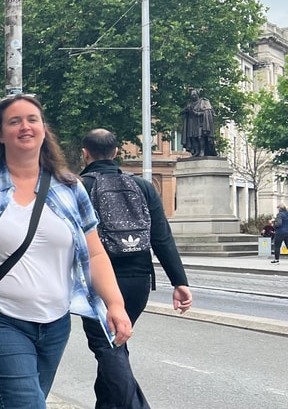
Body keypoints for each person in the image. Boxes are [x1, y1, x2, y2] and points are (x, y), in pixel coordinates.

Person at [0, 94, 132, 409]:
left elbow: (95, 253)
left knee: (22, 402)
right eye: (14, 121)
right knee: (28, 404)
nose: (25, 127)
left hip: (55, 324)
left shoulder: (70, 187)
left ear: (44, 130)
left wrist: (115, 304)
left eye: (32, 120)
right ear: (1, 134)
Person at [79, 128, 191, 408]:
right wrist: (179, 281)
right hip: (139, 280)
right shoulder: (142, 186)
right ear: (116, 152)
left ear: (85, 154)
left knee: (109, 347)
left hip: (99, 281)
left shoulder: (80, 187)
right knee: (116, 344)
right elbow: (162, 236)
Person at [180, 88, 217, 157]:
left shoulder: (204, 102)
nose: (193, 96)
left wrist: (198, 113)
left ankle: (202, 151)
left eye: (194, 94)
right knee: (193, 137)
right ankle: (196, 151)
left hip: (201, 123)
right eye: (192, 95)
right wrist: (186, 110)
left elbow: (208, 112)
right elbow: (182, 112)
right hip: (192, 122)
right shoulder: (190, 104)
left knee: (200, 137)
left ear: (197, 95)